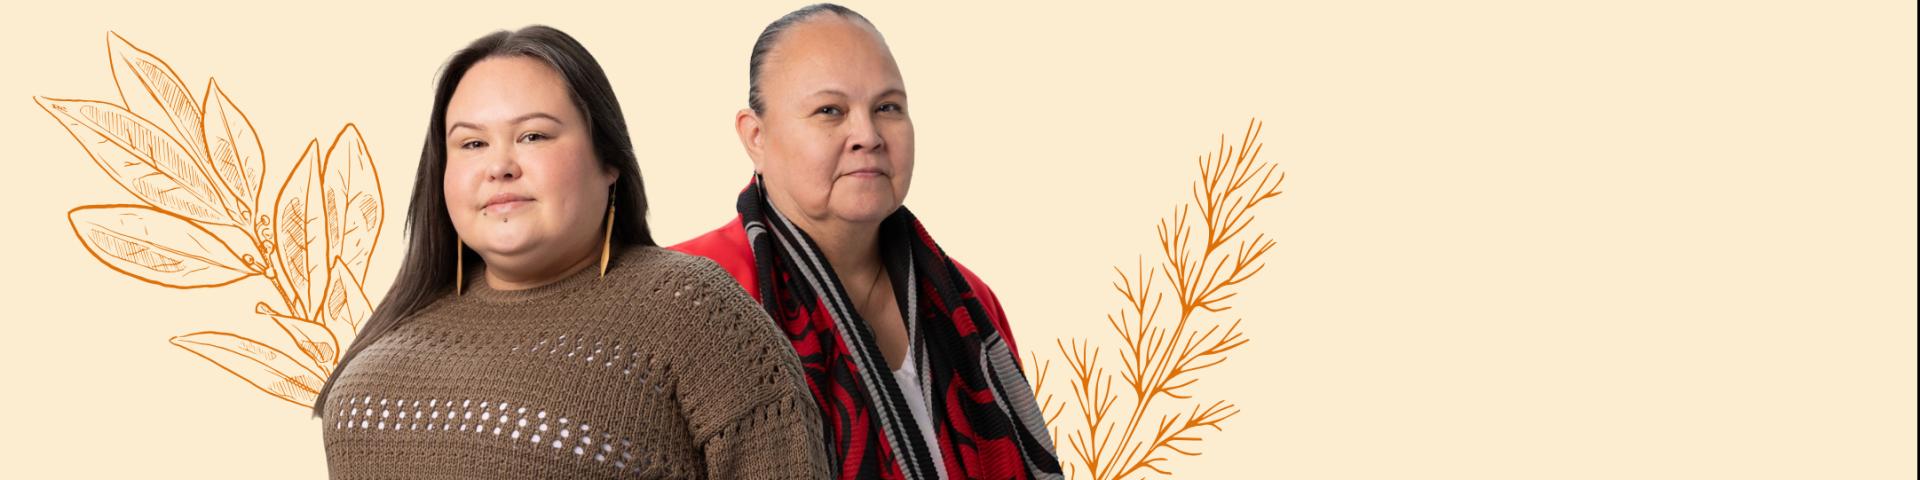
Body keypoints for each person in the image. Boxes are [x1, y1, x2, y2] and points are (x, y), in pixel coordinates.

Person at [315, 25, 828, 479]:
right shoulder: (389, 347)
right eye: (471, 144)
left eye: (533, 135)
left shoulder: (694, 312)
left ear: (610, 162)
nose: (500, 166)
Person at [671, 5, 1061, 479]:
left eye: (887, 108)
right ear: (755, 136)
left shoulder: (969, 302)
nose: (868, 135)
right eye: (829, 111)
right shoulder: (684, 298)